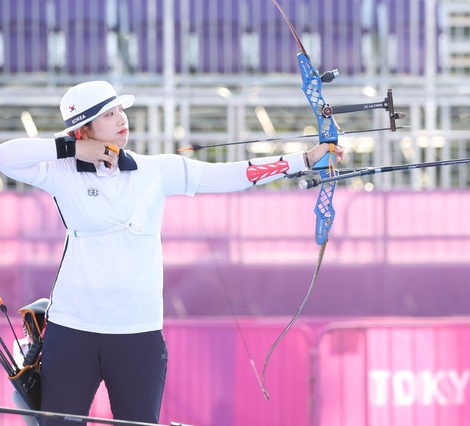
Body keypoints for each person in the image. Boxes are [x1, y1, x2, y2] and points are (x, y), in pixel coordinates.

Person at [0, 80, 343, 424]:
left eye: (121, 110)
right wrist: (69, 150)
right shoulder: (60, 171)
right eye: (109, 114)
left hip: (137, 333)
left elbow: (232, 174)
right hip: (73, 329)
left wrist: (306, 159)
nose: (122, 118)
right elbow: (4, 156)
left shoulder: (155, 170)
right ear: (84, 130)